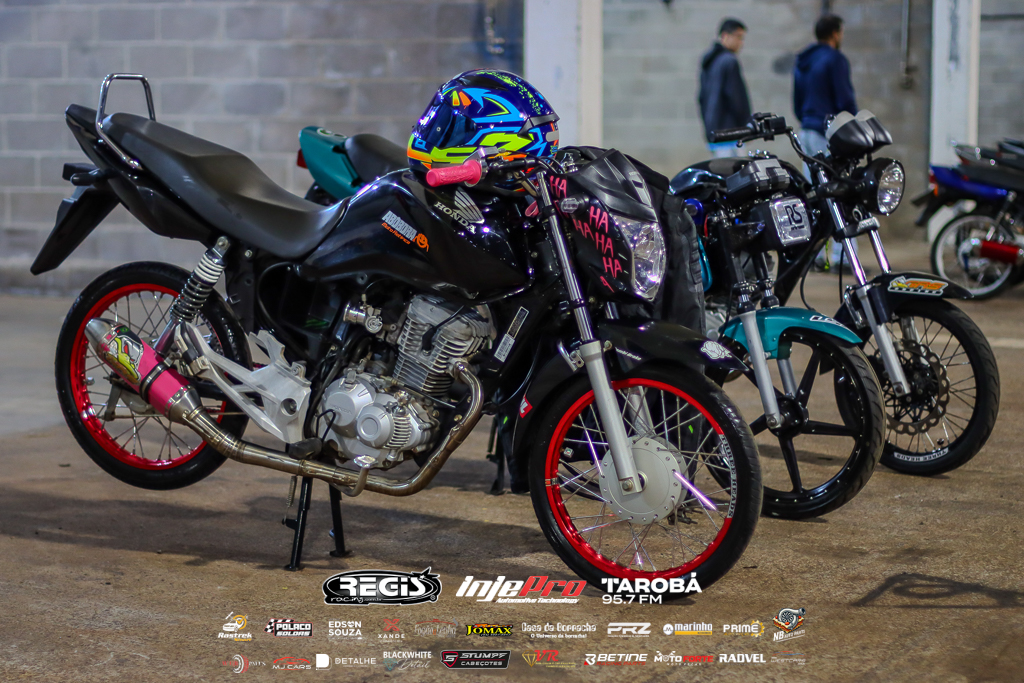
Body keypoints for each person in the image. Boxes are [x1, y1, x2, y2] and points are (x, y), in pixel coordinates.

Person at [793, 14, 858, 271]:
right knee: (840, 192)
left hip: (806, 132)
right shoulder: (835, 59)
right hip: (828, 133)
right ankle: (842, 259)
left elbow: (797, 102)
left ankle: (816, 257)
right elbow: (844, 100)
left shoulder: (803, 61)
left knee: (813, 195)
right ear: (835, 33)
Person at [698, 18, 751, 159]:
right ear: (725, 36)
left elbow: (701, 98)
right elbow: (737, 99)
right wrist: (746, 127)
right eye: (738, 37)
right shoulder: (729, 61)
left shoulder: (709, 61)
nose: (741, 43)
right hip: (730, 133)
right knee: (736, 170)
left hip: (713, 131)